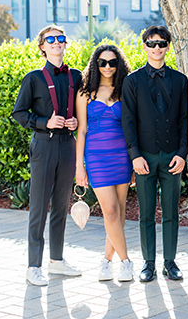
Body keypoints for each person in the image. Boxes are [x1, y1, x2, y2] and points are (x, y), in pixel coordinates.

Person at [12, 25, 82, 287]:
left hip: (67, 145)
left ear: (66, 44)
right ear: (42, 46)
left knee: (61, 207)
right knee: (39, 208)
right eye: (50, 39)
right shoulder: (33, 78)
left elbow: (81, 110)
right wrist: (44, 122)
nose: (56, 42)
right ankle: (33, 266)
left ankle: (57, 261)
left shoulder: (76, 76)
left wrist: (75, 122)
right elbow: (19, 113)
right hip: (43, 144)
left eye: (61, 39)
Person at [122, 25, 188, 283]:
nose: (157, 48)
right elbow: (128, 121)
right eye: (152, 43)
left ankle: (169, 262)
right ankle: (148, 263)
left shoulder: (180, 80)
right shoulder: (132, 81)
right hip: (145, 157)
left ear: (168, 46)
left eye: (161, 43)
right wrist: (135, 155)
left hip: (172, 155)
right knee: (146, 212)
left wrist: (183, 153)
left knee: (171, 211)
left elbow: (185, 119)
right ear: (144, 46)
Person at [75, 44, 134, 282]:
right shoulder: (85, 93)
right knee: (109, 211)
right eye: (102, 62)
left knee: (118, 214)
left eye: (112, 62)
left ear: (118, 65)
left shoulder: (125, 90)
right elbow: (81, 131)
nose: (107, 67)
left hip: (122, 157)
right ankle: (127, 262)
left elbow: (132, 128)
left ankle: (106, 262)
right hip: (97, 158)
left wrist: (134, 160)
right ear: (95, 64)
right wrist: (80, 166)